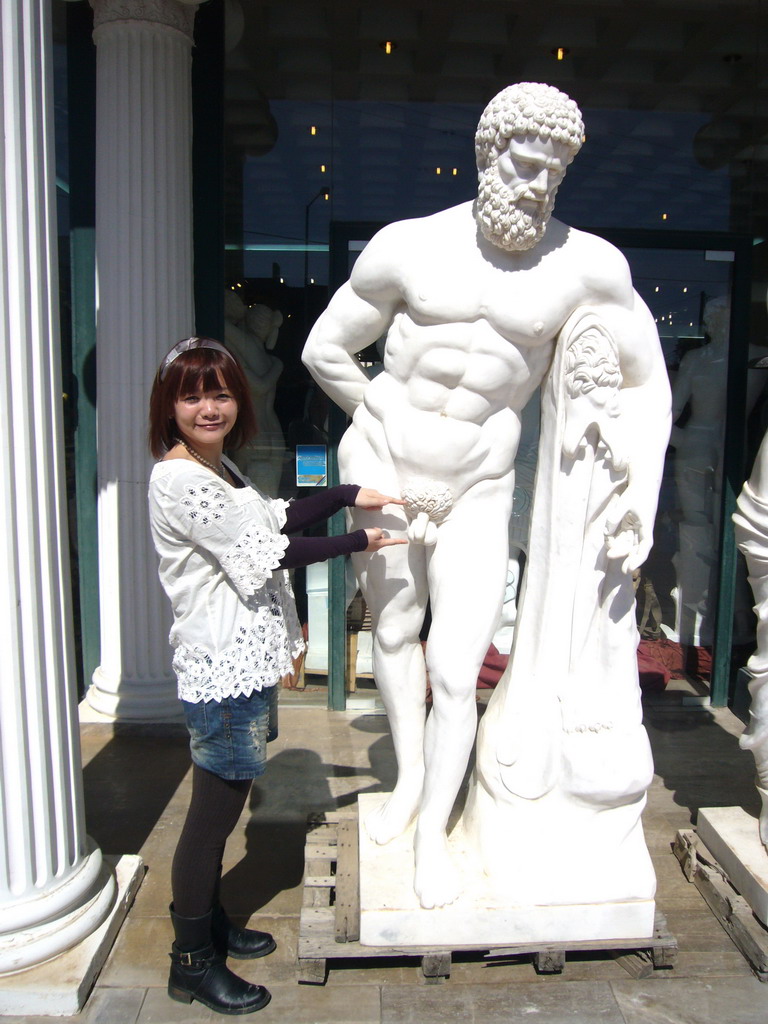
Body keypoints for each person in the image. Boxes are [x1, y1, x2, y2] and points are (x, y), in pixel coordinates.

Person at [302, 82, 670, 910]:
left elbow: (646, 383)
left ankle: (434, 831)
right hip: (388, 467)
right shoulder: (409, 247)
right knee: (393, 633)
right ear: (487, 155)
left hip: (479, 479)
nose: (538, 186)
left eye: (554, 173)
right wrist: (382, 409)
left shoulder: (587, 267)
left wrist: (637, 490)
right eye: (525, 165)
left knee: (457, 665)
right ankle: (408, 785)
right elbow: (326, 350)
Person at [147, 336, 404, 1014]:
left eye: (221, 392)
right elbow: (275, 551)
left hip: (245, 661)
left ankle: (209, 919)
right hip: (222, 666)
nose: (210, 407)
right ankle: (191, 961)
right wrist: (361, 538)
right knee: (213, 816)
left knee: (226, 808)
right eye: (193, 394)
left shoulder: (220, 465)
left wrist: (348, 493)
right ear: (168, 405)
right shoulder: (178, 479)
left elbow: (277, 517)